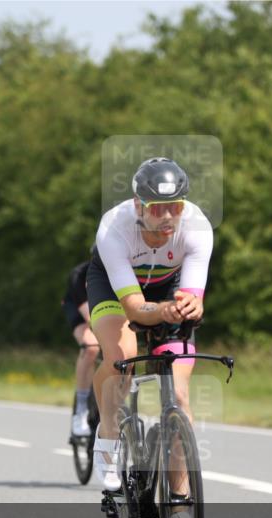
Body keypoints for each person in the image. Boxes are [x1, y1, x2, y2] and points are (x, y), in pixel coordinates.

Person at [87, 157, 212, 494]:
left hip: (166, 287)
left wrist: (190, 304)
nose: (169, 216)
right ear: (138, 205)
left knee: (180, 396)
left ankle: (181, 503)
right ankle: (107, 433)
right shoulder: (114, 228)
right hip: (116, 287)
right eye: (158, 208)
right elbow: (134, 309)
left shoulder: (197, 226)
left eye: (176, 206)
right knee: (121, 357)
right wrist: (164, 310)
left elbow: (192, 295)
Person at [61, 259, 99, 437]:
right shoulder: (78, 275)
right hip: (78, 309)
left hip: (106, 306)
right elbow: (92, 318)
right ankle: (81, 408)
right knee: (91, 346)